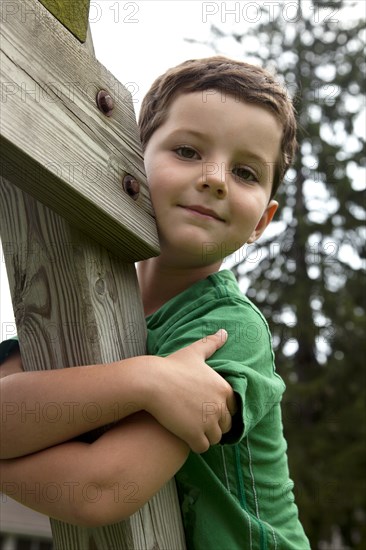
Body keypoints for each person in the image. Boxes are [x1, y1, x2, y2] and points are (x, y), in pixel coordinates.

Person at [0, 56, 310, 548]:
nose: (216, 178)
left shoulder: (228, 329)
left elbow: (97, 489)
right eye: (187, 151)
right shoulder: (73, 308)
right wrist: (148, 379)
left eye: (247, 172)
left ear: (261, 223)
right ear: (132, 163)